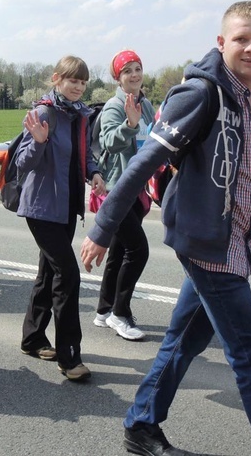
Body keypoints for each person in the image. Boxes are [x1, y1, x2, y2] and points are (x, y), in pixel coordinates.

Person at [81, 1, 251, 455]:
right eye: (240, 39)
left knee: (184, 339)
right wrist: (104, 227)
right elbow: (143, 162)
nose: (250, 48)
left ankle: (141, 424)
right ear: (221, 43)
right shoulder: (200, 94)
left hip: (235, 243)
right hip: (207, 246)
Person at [18, 55, 106, 381]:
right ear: (57, 79)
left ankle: (32, 338)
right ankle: (69, 357)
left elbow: (83, 155)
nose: (78, 86)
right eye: (72, 80)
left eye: (83, 82)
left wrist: (93, 172)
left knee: (47, 272)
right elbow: (22, 163)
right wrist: (38, 143)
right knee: (67, 276)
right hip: (42, 209)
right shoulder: (44, 113)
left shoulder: (79, 115)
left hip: (68, 207)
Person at [92, 50, 154, 341]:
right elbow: (108, 143)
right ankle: (120, 313)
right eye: (127, 70)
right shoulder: (115, 106)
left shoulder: (147, 104)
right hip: (118, 189)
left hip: (138, 188)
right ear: (118, 77)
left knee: (118, 251)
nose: (134, 74)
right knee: (138, 250)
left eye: (137, 68)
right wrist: (129, 125)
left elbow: (154, 139)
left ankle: (104, 311)